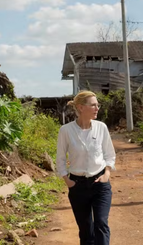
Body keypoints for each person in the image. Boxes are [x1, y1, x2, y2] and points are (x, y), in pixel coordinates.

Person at [56, 90, 116, 245]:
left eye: (98, 105)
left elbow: (110, 154)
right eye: (93, 105)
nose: (97, 108)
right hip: (78, 186)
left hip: (100, 183)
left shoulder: (101, 127)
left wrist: (107, 174)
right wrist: (67, 181)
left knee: (101, 224)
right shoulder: (66, 131)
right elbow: (60, 158)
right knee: (85, 229)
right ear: (81, 107)